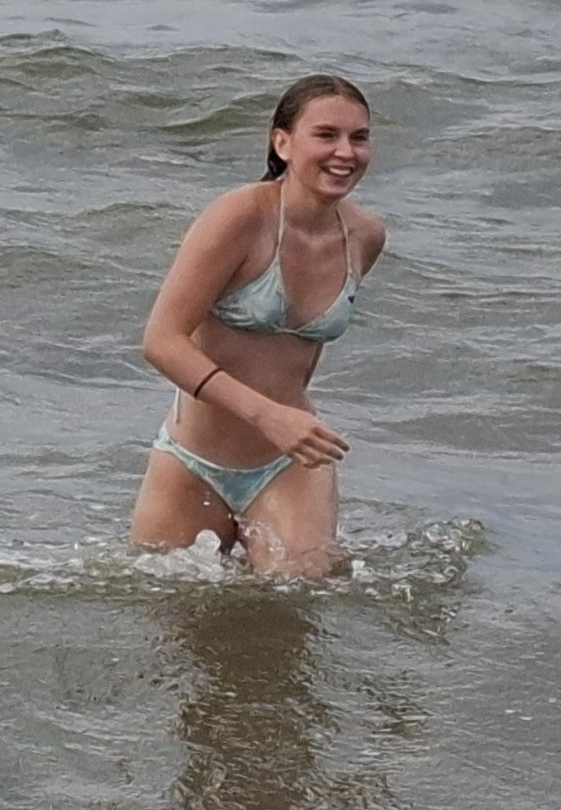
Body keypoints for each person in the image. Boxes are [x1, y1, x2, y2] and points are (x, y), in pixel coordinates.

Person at [132, 74, 386, 578]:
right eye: (326, 135)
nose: (346, 152)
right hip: (191, 460)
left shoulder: (365, 235)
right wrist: (268, 415)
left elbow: (299, 353)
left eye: (359, 138)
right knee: (169, 618)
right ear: (282, 142)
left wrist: (284, 422)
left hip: (289, 463)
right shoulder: (240, 216)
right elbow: (161, 341)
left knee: (298, 607)